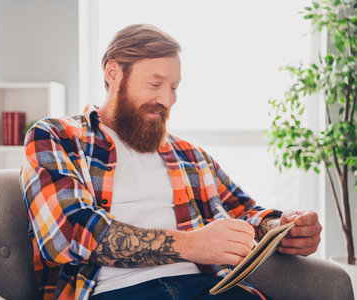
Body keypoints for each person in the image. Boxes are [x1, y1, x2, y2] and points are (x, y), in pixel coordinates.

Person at [20, 24, 322, 300]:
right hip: (113, 292)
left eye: (174, 87)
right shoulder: (56, 136)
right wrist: (191, 245)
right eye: (155, 85)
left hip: (207, 288)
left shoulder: (190, 155)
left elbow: (245, 213)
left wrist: (281, 228)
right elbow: (67, 234)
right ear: (113, 74)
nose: (167, 99)